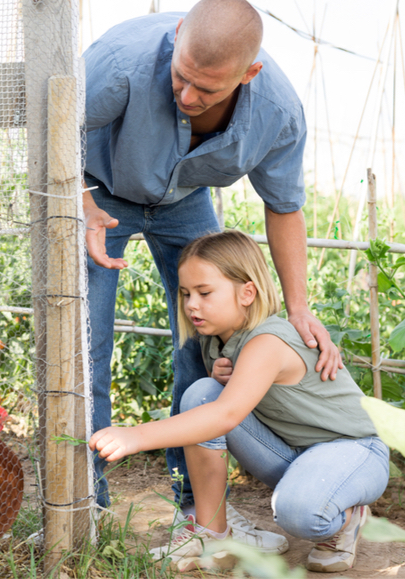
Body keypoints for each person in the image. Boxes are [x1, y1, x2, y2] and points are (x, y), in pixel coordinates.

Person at [83, 0, 342, 546]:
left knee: (204, 346)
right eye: (181, 78)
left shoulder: (276, 113)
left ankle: (194, 511)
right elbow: (43, 130)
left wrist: (298, 306)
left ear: (248, 74)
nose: (187, 95)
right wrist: (79, 203)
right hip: (96, 190)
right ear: (177, 36)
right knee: (86, 344)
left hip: (184, 201)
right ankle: (88, 505)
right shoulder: (119, 62)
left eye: (208, 88)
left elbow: (284, 206)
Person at [89, 231, 389, 574]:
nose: (191, 305)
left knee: (299, 513)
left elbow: (226, 415)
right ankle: (213, 535)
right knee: (202, 394)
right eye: (186, 294)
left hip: (355, 450)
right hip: (299, 455)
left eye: (204, 293)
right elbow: (219, 406)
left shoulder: (268, 341)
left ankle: (347, 516)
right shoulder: (218, 341)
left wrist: (135, 435)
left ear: (247, 292)